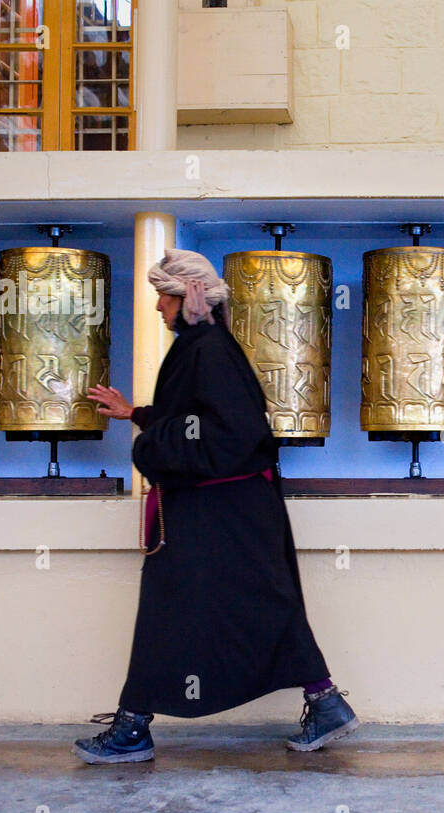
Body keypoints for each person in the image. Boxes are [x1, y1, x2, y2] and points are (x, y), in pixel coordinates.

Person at [74, 248, 358, 763]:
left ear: (189, 298)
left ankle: (132, 729)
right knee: (258, 603)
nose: (159, 307)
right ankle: (325, 702)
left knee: (177, 610)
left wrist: (148, 450)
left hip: (221, 512)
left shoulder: (207, 350)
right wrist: (135, 413)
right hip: (227, 508)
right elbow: (198, 419)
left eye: (164, 296)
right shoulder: (206, 346)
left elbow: (232, 433)